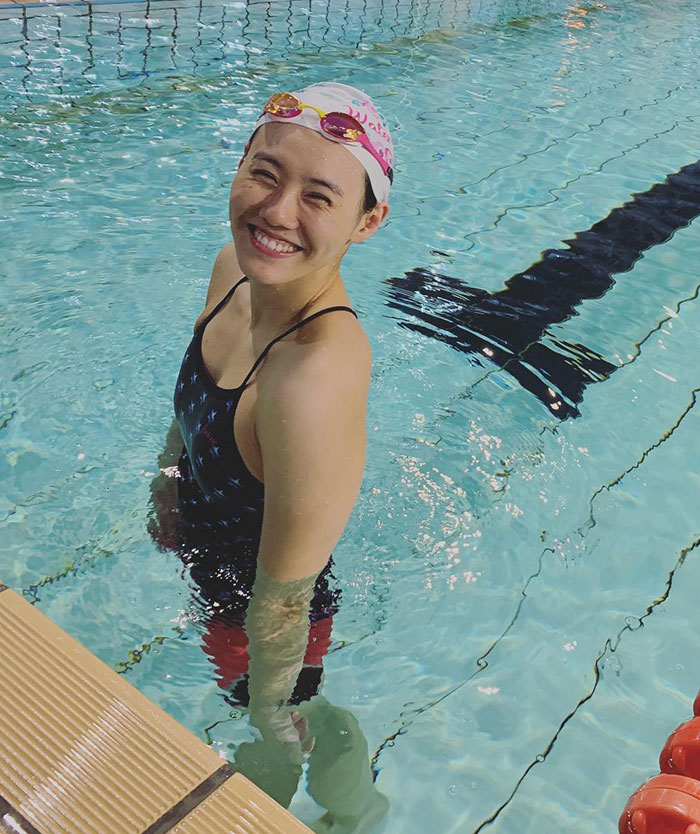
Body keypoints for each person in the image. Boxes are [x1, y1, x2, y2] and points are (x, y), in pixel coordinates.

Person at [148, 82, 393, 831]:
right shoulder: (235, 268)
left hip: (261, 621)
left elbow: (285, 595)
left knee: (286, 733)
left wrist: (267, 709)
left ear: (366, 221)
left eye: (319, 195)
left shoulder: (312, 380)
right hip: (215, 567)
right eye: (264, 172)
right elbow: (187, 411)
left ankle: (354, 808)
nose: (277, 212)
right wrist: (165, 490)